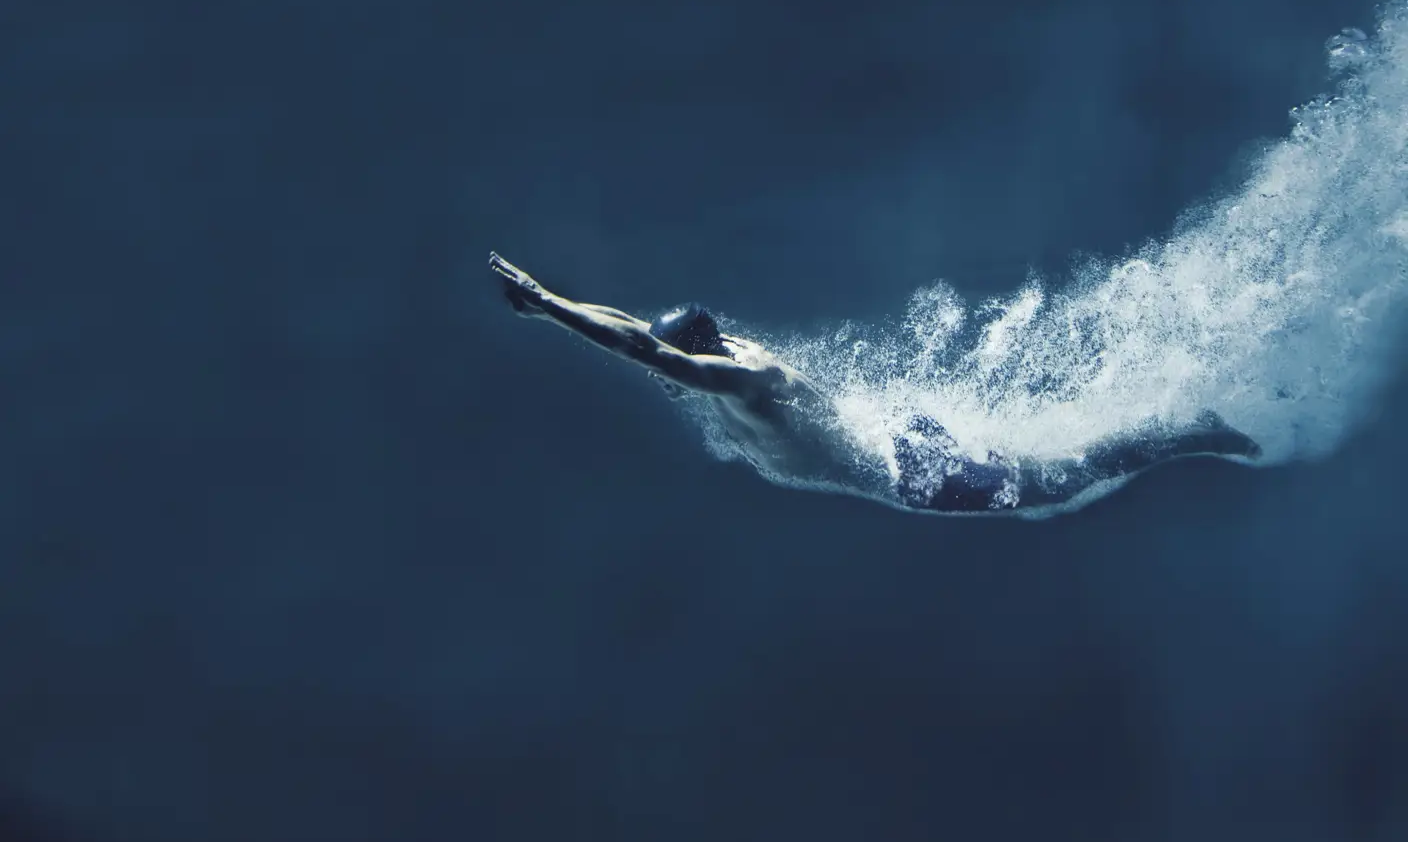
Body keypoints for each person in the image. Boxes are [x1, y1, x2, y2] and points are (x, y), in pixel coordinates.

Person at [489, 252, 1261, 514]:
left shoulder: (742, 379)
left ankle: (1196, 433)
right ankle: (1183, 433)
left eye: (675, 368)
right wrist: (555, 304)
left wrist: (551, 307)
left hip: (910, 472)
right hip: (896, 437)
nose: (666, 380)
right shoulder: (722, 350)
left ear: (699, 359)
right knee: (1034, 478)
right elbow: (635, 329)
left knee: (1056, 485)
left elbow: (644, 352)